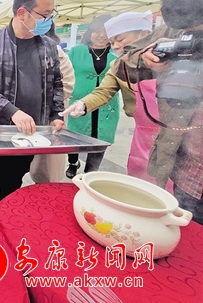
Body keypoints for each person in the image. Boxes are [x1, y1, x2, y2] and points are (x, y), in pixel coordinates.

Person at [0, 0, 65, 213]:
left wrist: (56, 114)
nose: (48, 21)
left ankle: (6, 222)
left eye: (51, 15)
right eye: (43, 15)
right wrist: (12, 111)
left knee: (14, 183)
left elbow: (56, 83)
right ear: (22, 12)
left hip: (30, 134)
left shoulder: (48, 46)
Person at [135, 0, 203, 224]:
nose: (193, 40)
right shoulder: (177, 31)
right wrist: (152, 59)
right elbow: (127, 61)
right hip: (187, 174)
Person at [60, 11, 160, 186]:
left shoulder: (167, 58)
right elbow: (104, 91)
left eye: (120, 40)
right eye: (112, 42)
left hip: (173, 131)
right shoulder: (119, 64)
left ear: (144, 34)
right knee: (142, 177)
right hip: (143, 132)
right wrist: (82, 103)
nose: (116, 46)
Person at [65, 15, 120, 178]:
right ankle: (73, 162)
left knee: (100, 139)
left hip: (107, 105)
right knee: (74, 137)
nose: (101, 35)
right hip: (79, 102)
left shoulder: (117, 54)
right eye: (97, 31)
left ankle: (90, 171)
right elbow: (65, 75)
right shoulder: (76, 51)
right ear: (90, 32)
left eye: (106, 32)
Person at [29, 22, 75, 183]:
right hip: (26, 115)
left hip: (52, 115)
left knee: (47, 166)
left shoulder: (58, 54)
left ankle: (44, 191)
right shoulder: (24, 51)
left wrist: (45, 102)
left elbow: (67, 85)